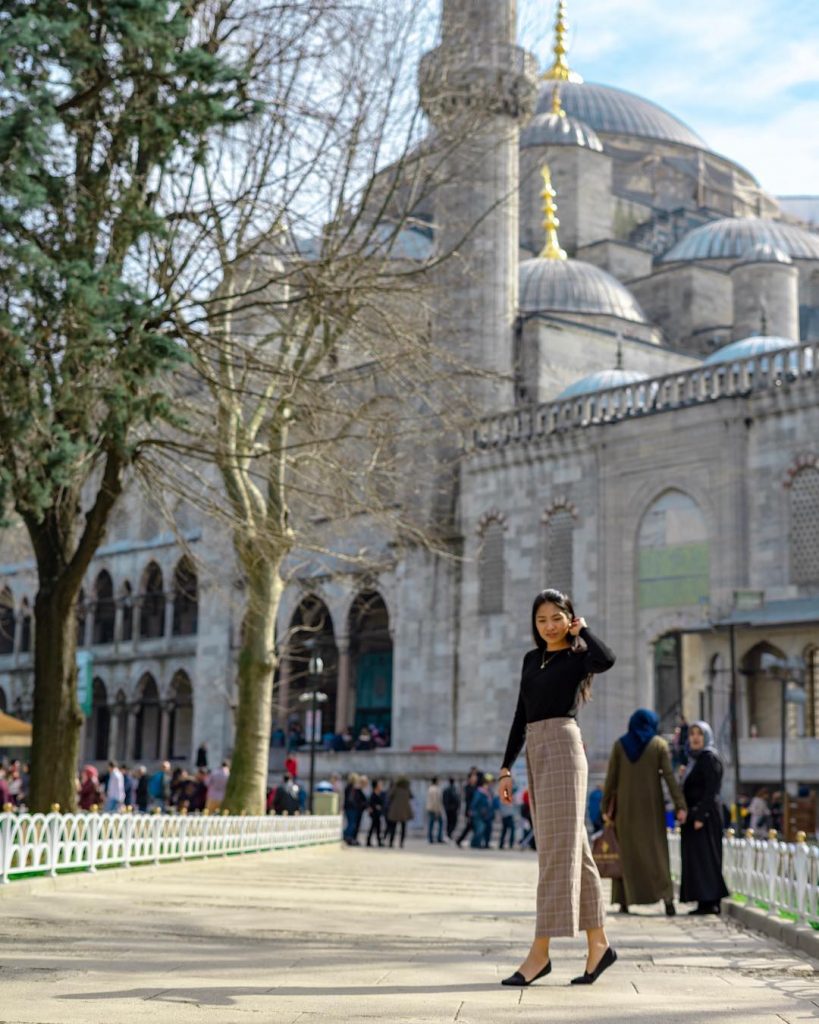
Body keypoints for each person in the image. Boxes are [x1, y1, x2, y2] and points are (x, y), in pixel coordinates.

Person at [498, 589, 617, 987]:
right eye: (541, 620)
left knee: (554, 854)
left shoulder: (579, 655)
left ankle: (540, 953)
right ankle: (599, 944)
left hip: (565, 748)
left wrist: (585, 631)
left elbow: (608, 659)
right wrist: (505, 767)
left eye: (556, 618)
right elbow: (520, 714)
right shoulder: (532, 659)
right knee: (574, 851)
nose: (548, 626)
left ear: (569, 618)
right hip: (536, 748)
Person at [603, 709, 686, 916]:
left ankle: (624, 901)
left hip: (626, 812)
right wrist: (680, 804)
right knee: (656, 853)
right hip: (651, 811)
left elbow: (610, 780)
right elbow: (669, 776)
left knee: (626, 854)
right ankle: (667, 899)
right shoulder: (658, 745)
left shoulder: (620, 746)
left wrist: (605, 809)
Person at [679, 720, 729, 915]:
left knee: (707, 859)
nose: (695, 738)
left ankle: (711, 902)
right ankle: (703, 901)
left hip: (705, 818)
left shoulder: (709, 758)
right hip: (694, 818)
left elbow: (711, 791)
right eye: (692, 734)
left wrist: (700, 815)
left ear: (706, 736)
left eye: (699, 734)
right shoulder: (694, 760)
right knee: (698, 861)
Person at [385, 776, 412, 848]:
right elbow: (411, 796)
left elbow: (389, 795)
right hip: (404, 811)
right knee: (403, 828)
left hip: (395, 810)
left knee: (393, 828)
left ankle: (391, 842)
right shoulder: (407, 789)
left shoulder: (395, 788)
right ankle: (401, 843)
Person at [455, 769, 479, 847]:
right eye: (473, 777)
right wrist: (469, 810)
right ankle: (471, 842)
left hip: (475, 810)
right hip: (470, 810)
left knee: (471, 827)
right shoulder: (468, 788)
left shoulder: (476, 787)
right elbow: (468, 800)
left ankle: (462, 841)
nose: (475, 778)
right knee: (470, 827)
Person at [426, 776, 445, 844]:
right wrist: (437, 810)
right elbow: (436, 801)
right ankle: (439, 837)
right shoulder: (436, 789)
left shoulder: (430, 788)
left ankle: (430, 838)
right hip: (435, 809)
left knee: (431, 824)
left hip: (430, 808)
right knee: (440, 823)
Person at [367, 779, 385, 847]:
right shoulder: (373, 794)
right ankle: (369, 841)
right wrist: (375, 806)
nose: (381, 786)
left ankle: (378, 841)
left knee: (378, 828)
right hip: (374, 814)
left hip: (378, 814)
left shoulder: (381, 794)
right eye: (379, 785)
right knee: (373, 828)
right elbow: (370, 804)